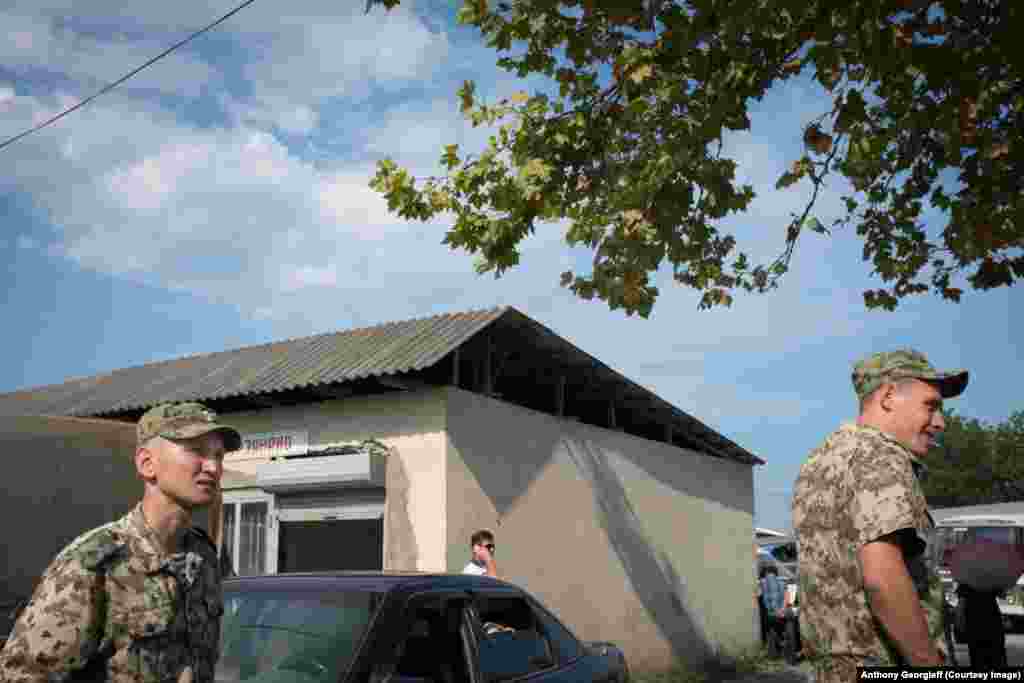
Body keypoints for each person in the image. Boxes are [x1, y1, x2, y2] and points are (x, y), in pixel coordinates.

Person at [0, 401, 242, 682]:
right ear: (146, 463)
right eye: (197, 451)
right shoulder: (96, 564)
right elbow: (21, 675)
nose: (213, 467)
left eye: (219, 455)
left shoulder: (203, 559)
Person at [792, 349, 968, 683]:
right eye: (930, 405)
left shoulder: (821, 460)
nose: (940, 422)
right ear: (888, 396)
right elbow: (883, 579)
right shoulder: (882, 457)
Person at [760, 565, 786, 654]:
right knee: (778, 630)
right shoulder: (782, 583)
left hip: (770, 615)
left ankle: (774, 647)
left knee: (771, 629)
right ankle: (779, 645)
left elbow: (763, 599)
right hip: (779, 614)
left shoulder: (763, 583)